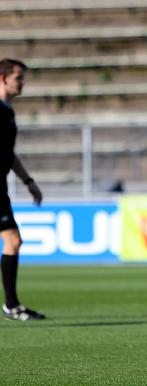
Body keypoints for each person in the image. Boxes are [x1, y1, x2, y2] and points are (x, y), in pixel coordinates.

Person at [0, 58, 45, 321]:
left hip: (0, 186)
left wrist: (28, 182)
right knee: (13, 241)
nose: (23, 83)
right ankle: (12, 305)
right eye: (19, 77)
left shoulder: (7, 112)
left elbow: (8, 154)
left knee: (13, 242)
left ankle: (12, 305)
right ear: (3, 78)